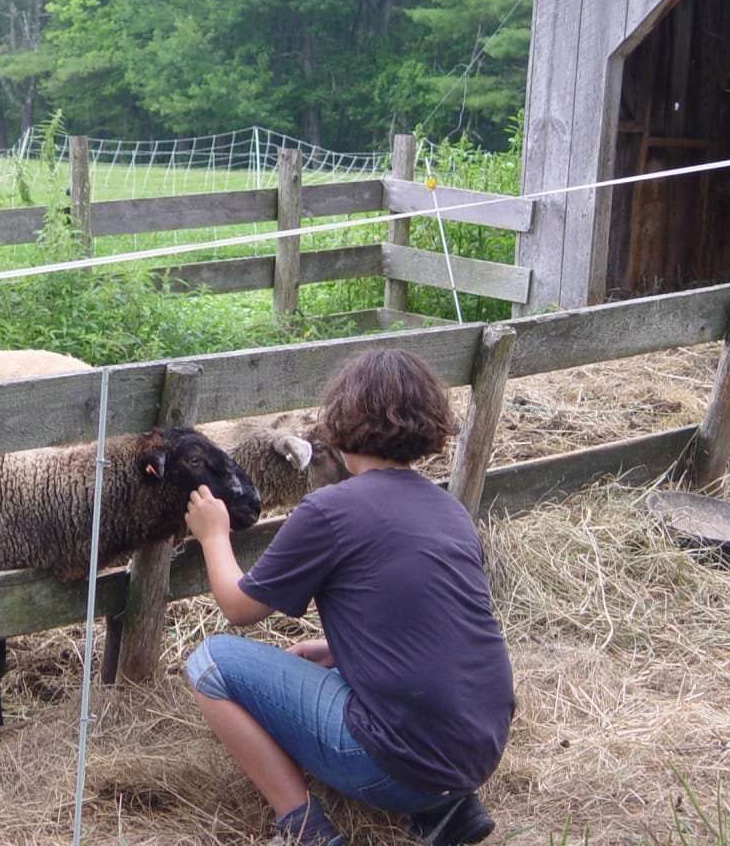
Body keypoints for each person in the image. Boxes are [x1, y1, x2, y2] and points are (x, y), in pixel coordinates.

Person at [182, 348, 514, 846]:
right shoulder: (447, 507)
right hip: (480, 750)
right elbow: (431, 620)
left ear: (338, 419)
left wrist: (213, 534)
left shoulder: (330, 509)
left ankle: (305, 829)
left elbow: (239, 608)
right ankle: (445, 811)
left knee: (210, 662)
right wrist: (338, 650)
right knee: (335, 672)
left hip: (395, 763)